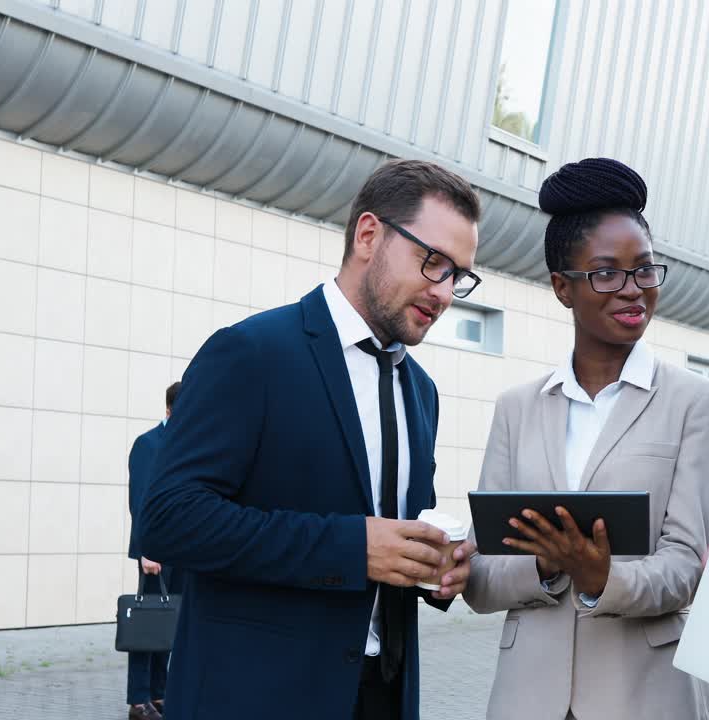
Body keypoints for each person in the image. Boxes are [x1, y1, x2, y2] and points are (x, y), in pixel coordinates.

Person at [139, 159, 482, 720]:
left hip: (383, 697)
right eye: (433, 262)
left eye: (459, 276)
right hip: (257, 696)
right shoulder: (251, 353)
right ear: (368, 235)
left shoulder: (422, 391)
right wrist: (350, 548)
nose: (445, 294)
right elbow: (171, 519)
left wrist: (437, 569)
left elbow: (393, 535)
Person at [463, 158, 709, 720]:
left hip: (648, 696)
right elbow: (481, 578)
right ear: (563, 287)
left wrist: (601, 576)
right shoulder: (517, 409)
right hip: (528, 700)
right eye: (606, 273)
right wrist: (547, 567)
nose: (633, 291)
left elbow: (685, 569)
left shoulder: (695, 403)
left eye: (645, 270)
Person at [125, 381, 182, 720]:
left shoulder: (185, 445)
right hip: (155, 554)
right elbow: (141, 501)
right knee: (145, 625)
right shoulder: (148, 444)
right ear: (169, 410)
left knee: (168, 622)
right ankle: (138, 700)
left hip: (182, 551)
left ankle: (159, 693)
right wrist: (147, 550)